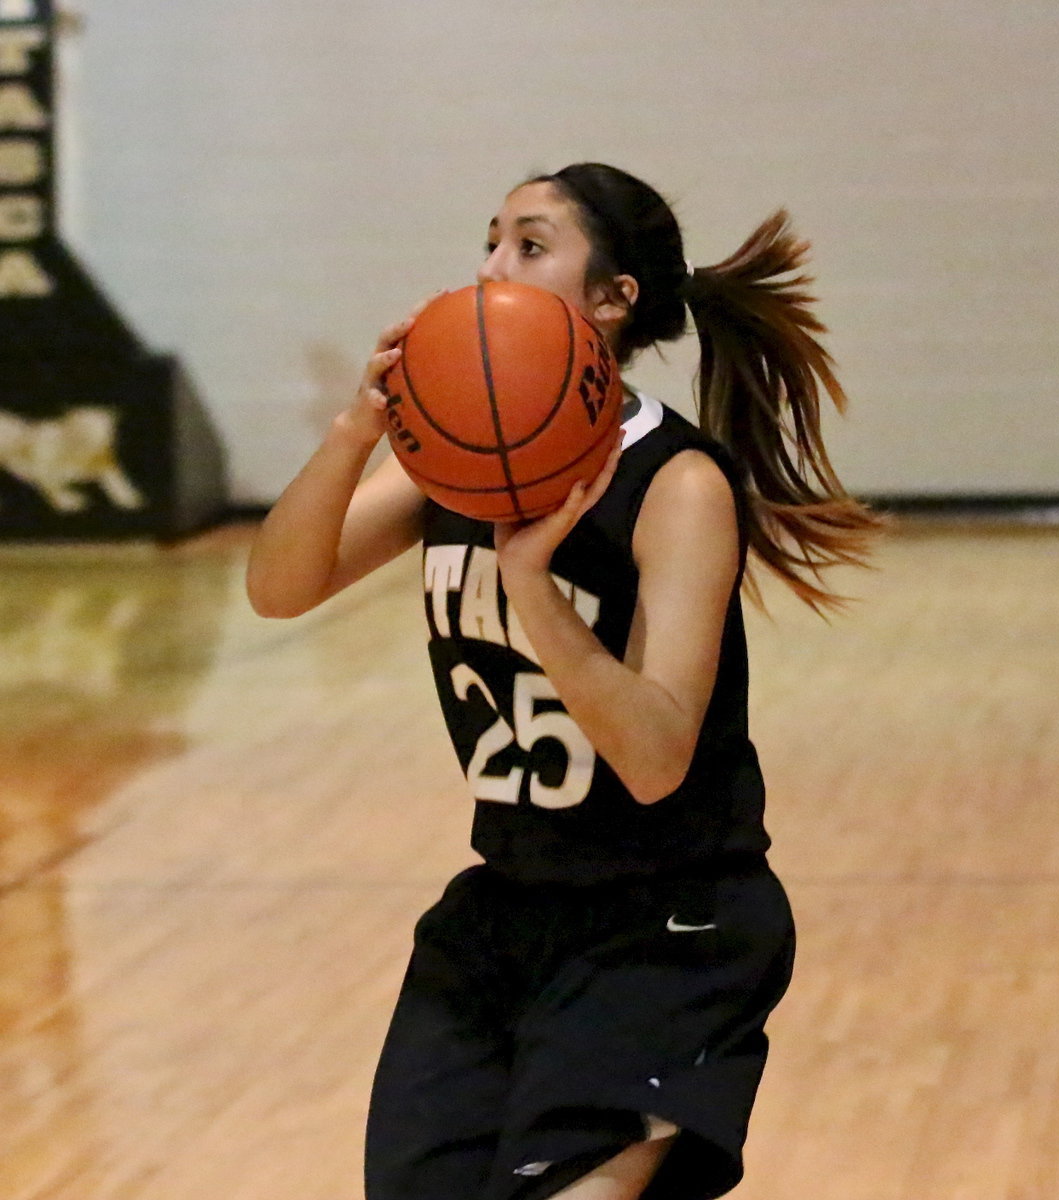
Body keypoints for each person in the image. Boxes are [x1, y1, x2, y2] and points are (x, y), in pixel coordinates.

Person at [246, 162, 882, 1200]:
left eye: (531, 246)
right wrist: (358, 429)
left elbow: (655, 756)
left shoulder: (676, 482)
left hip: (667, 927)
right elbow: (278, 588)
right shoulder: (451, 455)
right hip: (505, 911)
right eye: (490, 241)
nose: (493, 268)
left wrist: (533, 587)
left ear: (612, 299)